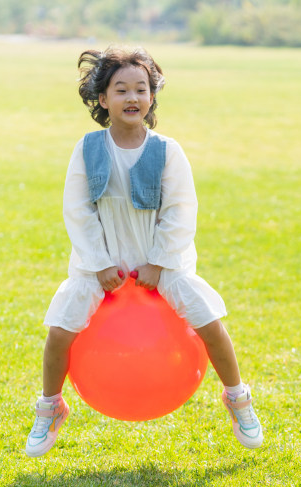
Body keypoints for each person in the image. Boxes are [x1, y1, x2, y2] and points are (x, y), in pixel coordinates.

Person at [25, 46, 263, 457]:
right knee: (60, 331)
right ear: (103, 99)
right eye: (121, 90)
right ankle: (51, 405)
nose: (132, 97)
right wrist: (99, 264)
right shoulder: (87, 149)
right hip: (100, 262)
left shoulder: (167, 151)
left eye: (141, 88)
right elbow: (77, 211)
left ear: (152, 97)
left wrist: (158, 262)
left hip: (161, 263)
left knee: (208, 321)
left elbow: (180, 210)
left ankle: (236, 396)